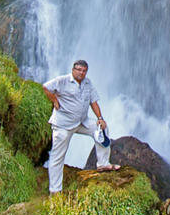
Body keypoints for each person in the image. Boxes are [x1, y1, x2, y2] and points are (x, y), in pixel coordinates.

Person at [43, 59, 120, 194]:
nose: (81, 73)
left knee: (102, 129)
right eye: (78, 70)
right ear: (73, 70)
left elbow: (93, 101)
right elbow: (46, 87)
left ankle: (102, 163)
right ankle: (55, 190)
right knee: (57, 157)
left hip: (81, 122)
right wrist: (55, 100)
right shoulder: (63, 80)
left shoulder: (87, 83)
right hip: (63, 125)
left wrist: (100, 118)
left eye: (84, 71)